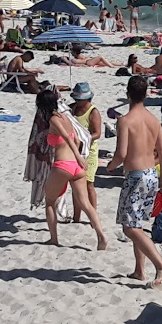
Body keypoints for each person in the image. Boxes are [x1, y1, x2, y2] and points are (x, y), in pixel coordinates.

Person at [106, 75, 162, 288]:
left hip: (136, 177)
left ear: (128, 94)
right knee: (138, 225)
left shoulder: (125, 121)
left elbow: (121, 153)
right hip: (152, 174)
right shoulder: (153, 120)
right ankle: (139, 270)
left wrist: (109, 167)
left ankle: (161, 265)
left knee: (129, 227)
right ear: (145, 94)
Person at [35, 88, 108, 250]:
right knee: (86, 204)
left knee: (49, 202)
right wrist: (79, 157)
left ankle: (54, 239)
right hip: (76, 167)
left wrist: (78, 156)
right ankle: (101, 235)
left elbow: (67, 138)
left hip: (63, 165)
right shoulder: (67, 116)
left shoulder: (54, 119)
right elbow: (75, 138)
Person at [67, 82, 104, 223]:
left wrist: (83, 139)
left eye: (80, 99)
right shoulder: (71, 109)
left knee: (89, 184)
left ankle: (93, 216)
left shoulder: (93, 112)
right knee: (75, 185)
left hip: (89, 152)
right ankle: (76, 217)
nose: (77, 101)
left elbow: (97, 133)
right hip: (74, 151)